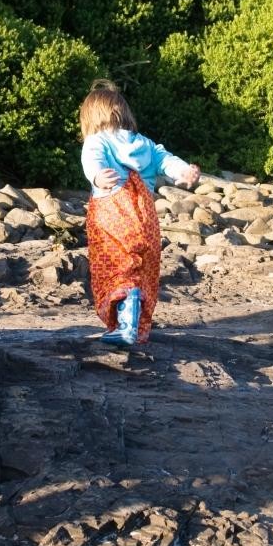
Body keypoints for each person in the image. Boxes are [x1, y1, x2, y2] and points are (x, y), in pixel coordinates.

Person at [80, 79, 200, 346]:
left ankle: (125, 322)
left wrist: (99, 177)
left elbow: (92, 161)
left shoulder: (95, 141)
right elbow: (165, 159)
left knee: (114, 264)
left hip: (112, 211)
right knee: (140, 265)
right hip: (145, 216)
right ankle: (134, 320)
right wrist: (184, 172)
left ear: (91, 116)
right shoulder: (144, 143)